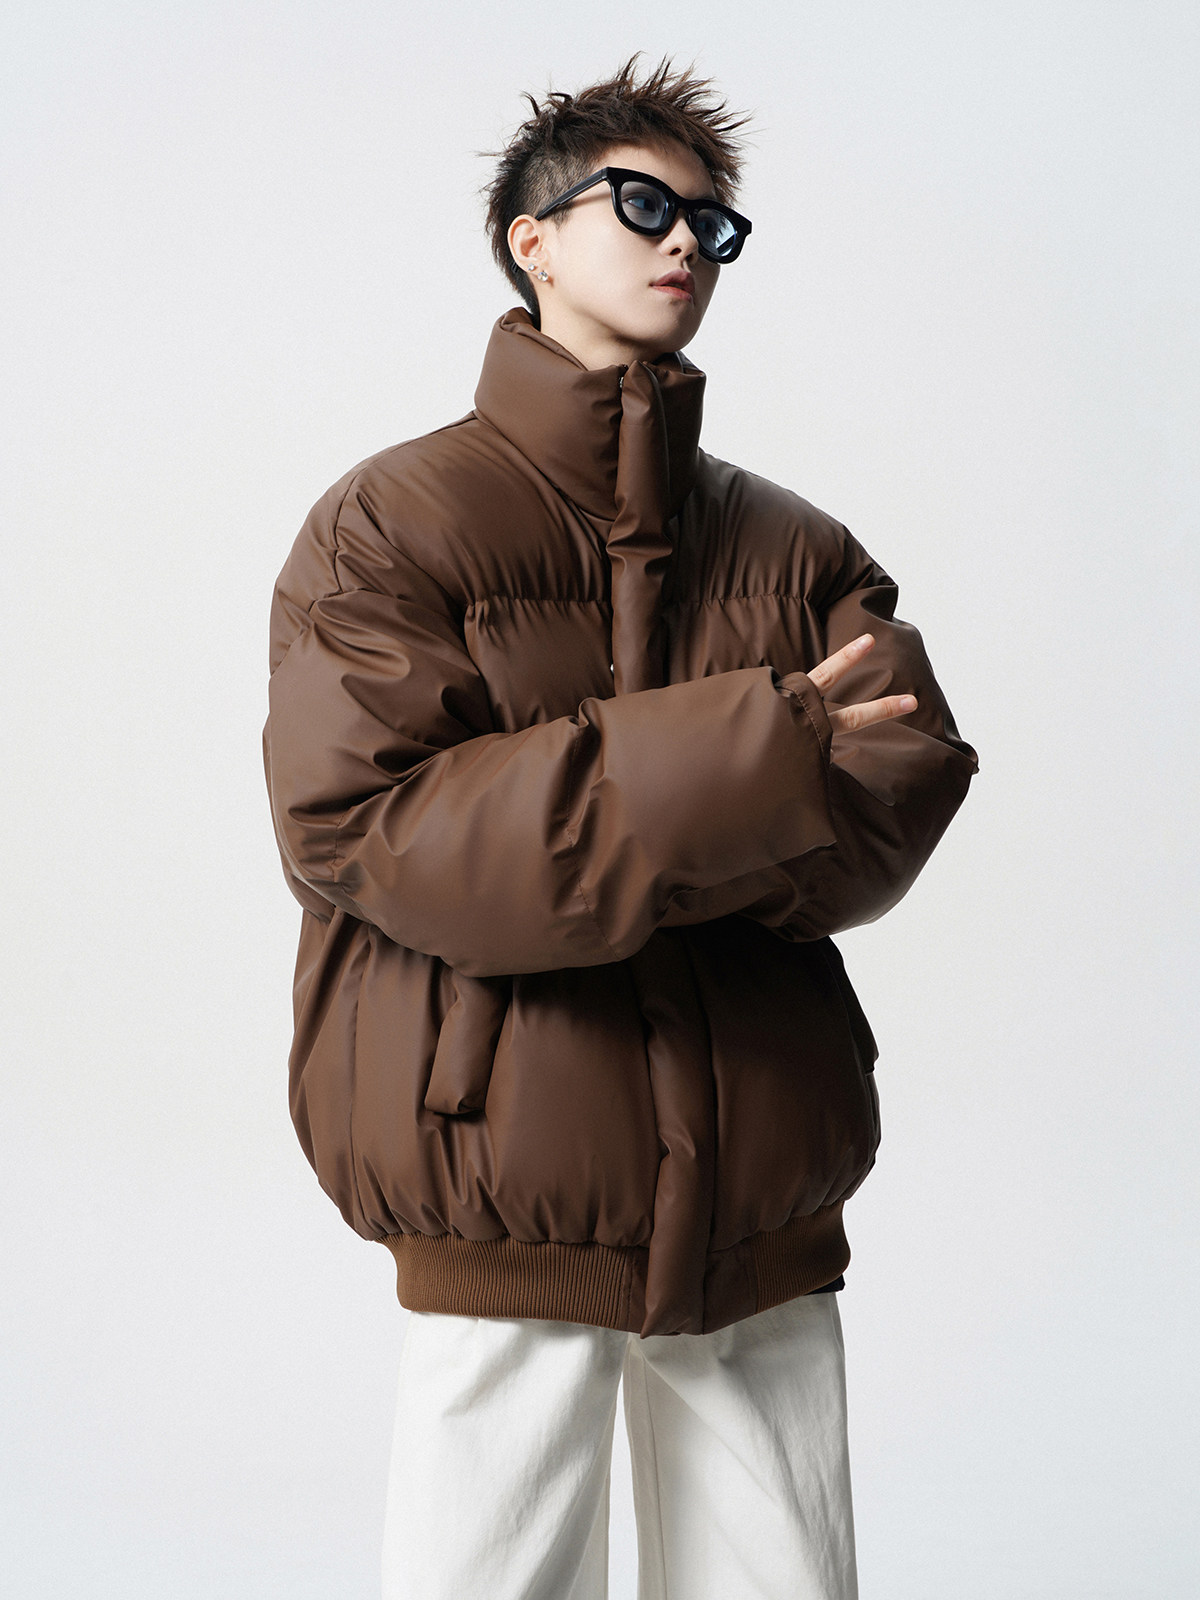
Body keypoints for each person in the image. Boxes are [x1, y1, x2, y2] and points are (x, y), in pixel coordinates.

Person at [262, 51, 979, 1600]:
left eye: (713, 226)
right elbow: (377, 833)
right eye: (643, 207)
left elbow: (897, 793)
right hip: (504, 1165)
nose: (685, 246)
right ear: (532, 237)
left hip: (762, 1176)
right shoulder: (392, 522)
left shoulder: (799, 546)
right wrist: (754, 756)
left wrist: (663, 814)